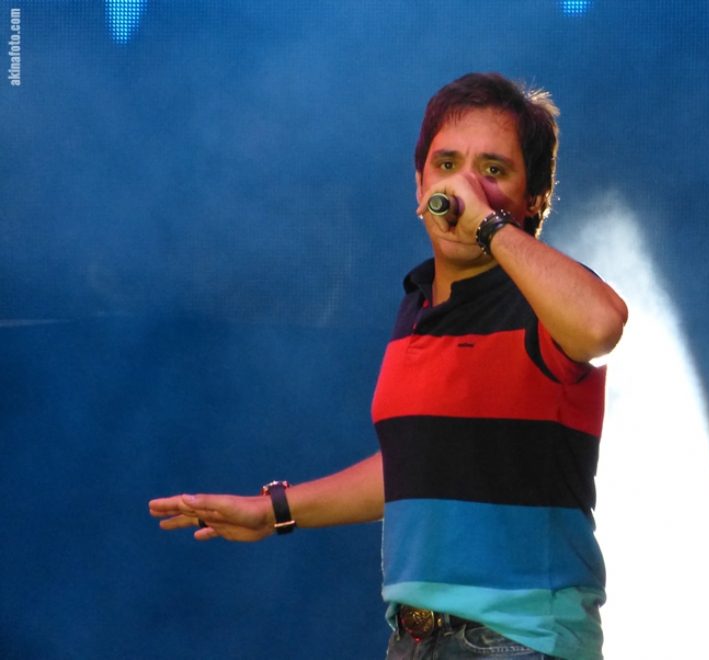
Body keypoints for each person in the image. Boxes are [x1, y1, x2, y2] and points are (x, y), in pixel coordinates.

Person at [149, 72, 628, 660]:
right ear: (420, 183)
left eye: (493, 169)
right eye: (447, 164)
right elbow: (418, 467)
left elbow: (602, 324)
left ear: (533, 201)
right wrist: (273, 512)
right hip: (415, 640)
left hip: (520, 641)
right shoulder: (417, 308)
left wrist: (488, 226)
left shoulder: (541, 303)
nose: (464, 185)